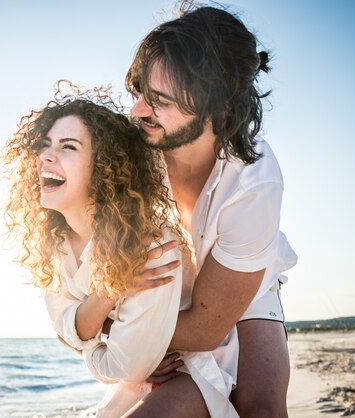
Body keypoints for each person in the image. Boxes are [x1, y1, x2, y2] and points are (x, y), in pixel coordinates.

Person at [0, 84, 239, 417]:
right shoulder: (55, 246)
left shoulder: (150, 244)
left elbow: (123, 364)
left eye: (68, 146)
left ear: (103, 167)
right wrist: (107, 296)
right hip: (136, 381)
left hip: (189, 371)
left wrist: (85, 336)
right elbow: (65, 328)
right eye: (45, 145)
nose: (46, 156)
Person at [119, 4, 298, 417]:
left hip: (245, 286)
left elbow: (204, 328)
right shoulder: (126, 155)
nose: (137, 111)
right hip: (163, 296)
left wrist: (138, 343)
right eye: (137, 92)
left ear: (220, 108)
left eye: (159, 100)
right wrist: (126, 343)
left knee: (262, 406)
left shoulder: (254, 183)